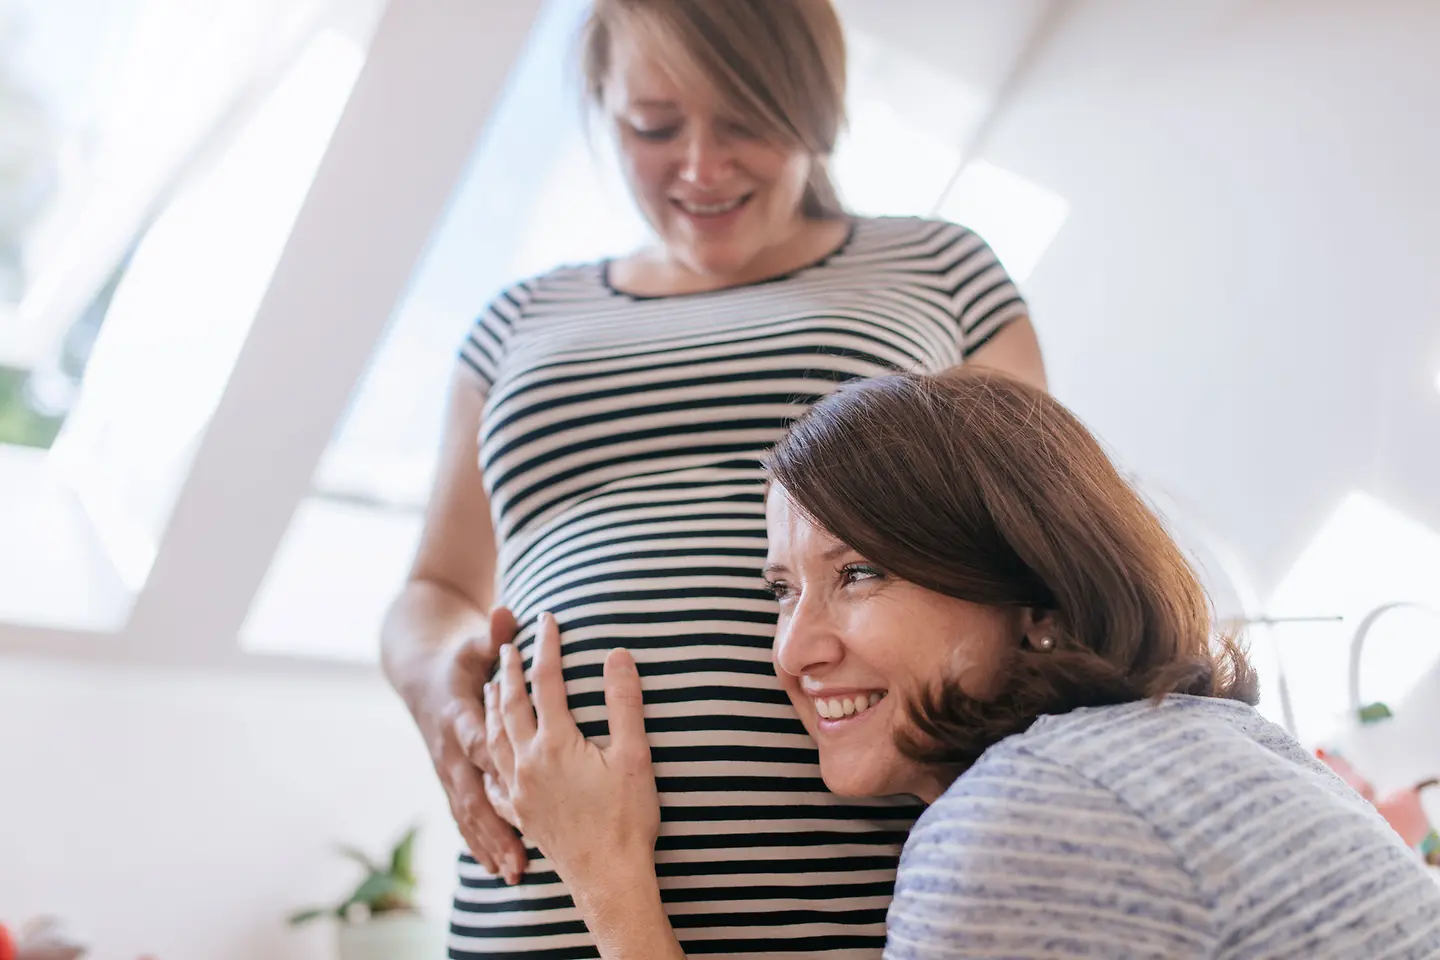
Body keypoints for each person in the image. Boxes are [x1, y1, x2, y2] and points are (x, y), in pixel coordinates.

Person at [378, 0, 1046, 956]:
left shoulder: (941, 270)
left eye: (744, 120)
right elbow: (435, 589)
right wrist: (437, 687)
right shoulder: (517, 319)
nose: (700, 166)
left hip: (867, 889)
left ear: (815, 106)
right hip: (542, 887)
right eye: (654, 127)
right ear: (604, 108)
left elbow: (1043, 551)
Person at [485, 369, 1440, 959]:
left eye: (859, 572)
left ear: (1035, 598)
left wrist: (607, 881)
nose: (791, 650)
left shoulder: (1020, 819)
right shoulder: (1217, 739)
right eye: (781, 589)